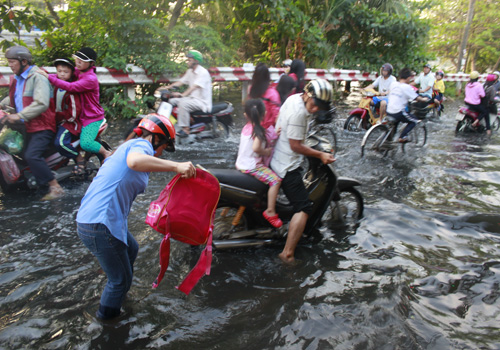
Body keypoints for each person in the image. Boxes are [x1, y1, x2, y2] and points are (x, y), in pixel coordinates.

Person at [76, 113, 196, 320]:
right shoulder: (140, 147)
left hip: (97, 219)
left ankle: (118, 293)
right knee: (120, 280)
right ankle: (107, 322)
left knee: (132, 248)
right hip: (99, 223)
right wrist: (176, 166)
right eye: (163, 147)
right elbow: (134, 162)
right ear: (155, 138)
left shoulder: (127, 146)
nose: (159, 154)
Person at [270, 79, 336, 263]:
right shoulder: (300, 113)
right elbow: (296, 146)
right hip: (286, 165)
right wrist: (320, 155)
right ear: (307, 95)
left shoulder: (293, 99)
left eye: (319, 108)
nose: (315, 110)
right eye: (314, 105)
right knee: (303, 208)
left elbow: (283, 124)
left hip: (276, 157)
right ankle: (287, 253)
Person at [0, 46, 63, 200]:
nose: (10, 65)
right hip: (25, 126)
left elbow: (41, 103)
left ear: (23, 61)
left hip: (42, 125)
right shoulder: (18, 79)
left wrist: (19, 115)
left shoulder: (37, 77)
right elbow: (15, 98)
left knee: (32, 155)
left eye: (12, 62)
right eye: (9, 62)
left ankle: (55, 186)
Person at [38, 47, 113, 171]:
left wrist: (49, 77)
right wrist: (43, 72)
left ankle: (106, 153)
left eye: (82, 60)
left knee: (86, 143)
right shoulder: (79, 72)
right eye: (77, 59)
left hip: (91, 118)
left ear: (91, 63)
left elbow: (70, 87)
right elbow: (63, 74)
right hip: (79, 115)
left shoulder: (90, 79)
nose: (78, 62)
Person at [236, 99, 282, 228]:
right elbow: (256, 148)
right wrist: (266, 151)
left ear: (246, 115)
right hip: (253, 167)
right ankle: (270, 211)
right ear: (264, 113)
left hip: (241, 164)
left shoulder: (246, 128)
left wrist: (274, 135)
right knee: (276, 181)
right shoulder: (259, 131)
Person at [158, 50, 212, 143]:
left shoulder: (203, 72)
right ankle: (173, 123)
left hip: (202, 101)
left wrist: (182, 95)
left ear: (196, 61)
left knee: (183, 104)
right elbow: (181, 82)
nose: (188, 62)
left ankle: (185, 129)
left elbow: (194, 87)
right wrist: (167, 87)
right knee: (171, 101)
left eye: (190, 60)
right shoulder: (190, 71)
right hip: (192, 99)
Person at [52, 58, 83, 170]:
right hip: (58, 120)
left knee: (60, 143)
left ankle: (78, 157)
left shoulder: (71, 90)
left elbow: (74, 111)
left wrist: (64, 118)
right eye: (59, 71)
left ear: (71, 73)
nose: (62, 74)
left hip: (70, 122)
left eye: (66, 72)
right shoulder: (57, 87)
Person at [386, 68, 430, 143]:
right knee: (414, 121)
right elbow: (417, 98)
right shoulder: (406, 87)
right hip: (398, 112)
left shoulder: (393, 84)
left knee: (395, 124)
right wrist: (424, 99)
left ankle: (388, 141)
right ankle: (402, 136)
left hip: (389, 111)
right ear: (409, 77)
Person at [248, 63, 281, 128]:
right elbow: (276, 116)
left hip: (251, 127)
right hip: (267, 129)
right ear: (268, 76)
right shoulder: (273, 93)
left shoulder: (251, 90)